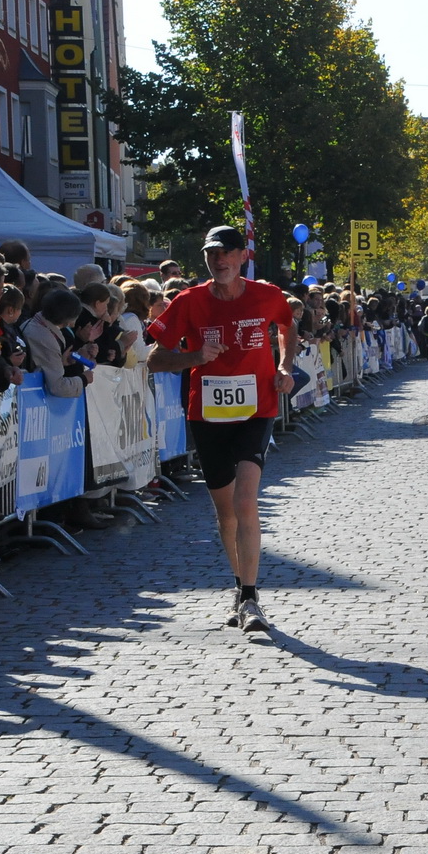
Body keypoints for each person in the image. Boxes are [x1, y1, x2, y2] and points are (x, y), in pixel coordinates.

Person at [146, 226, 296, 633]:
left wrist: (284, 367)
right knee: (225, 511)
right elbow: (156, 360)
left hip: (256, 410)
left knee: (246, 499)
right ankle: (238, 585)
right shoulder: (188, 301)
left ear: (242, 255)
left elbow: (287, 327)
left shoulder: (267, 294)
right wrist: (195, 355)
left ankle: (250, 597)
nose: (219, 260)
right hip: (207, 415)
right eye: (212, 254)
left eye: (227, 252)